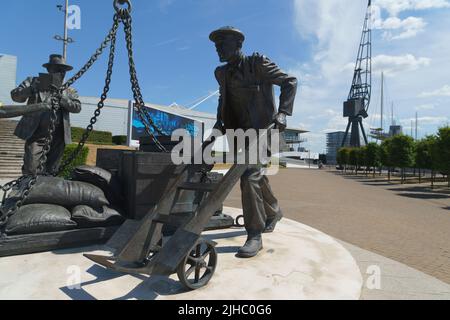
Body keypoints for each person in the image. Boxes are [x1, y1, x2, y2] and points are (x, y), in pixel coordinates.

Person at [209, 26, 298, 258]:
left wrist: (283, 113)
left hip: (264, 132)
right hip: (238, 134)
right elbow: (223, 99)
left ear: (238, 45)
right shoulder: (221, 73)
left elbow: (290, 82)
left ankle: (254, 234)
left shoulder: (257, 64)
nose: (218, 49)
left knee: (249, 177)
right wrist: (219, 121)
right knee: (255, 175)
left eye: (222, 45)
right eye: (216, 46)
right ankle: (274, 210)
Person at [11, 54, 81, 175]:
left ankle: (47, 192)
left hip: (58, 135)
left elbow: (77, 107)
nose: (61, 72)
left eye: (63, 70)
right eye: (58, 69)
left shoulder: (68, 90)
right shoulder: (32, 81)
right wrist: (32, 89)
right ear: (49, 69)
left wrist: (63, 99)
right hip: (36, 134)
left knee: (52, 170)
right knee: (31, 168)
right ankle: (26, 189)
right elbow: (15, 96)